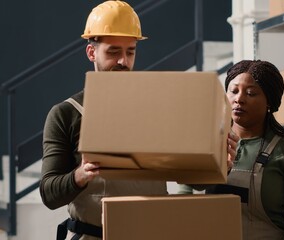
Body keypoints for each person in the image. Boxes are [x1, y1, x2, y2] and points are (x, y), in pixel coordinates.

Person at [39, 1, 238, 240]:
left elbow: (191, 180)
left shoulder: (159, 109)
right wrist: (81, 174)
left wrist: (220, 163)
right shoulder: (66, 114)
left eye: (130, 51)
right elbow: (49, 194)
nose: (123, 61)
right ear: (92, 52)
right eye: (113, 51)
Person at [180, 60, 284, 239]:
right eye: (234, 91)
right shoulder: (209, 142)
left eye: (251, 93)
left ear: (270, 101)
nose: (239, 99)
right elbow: (186, 187)